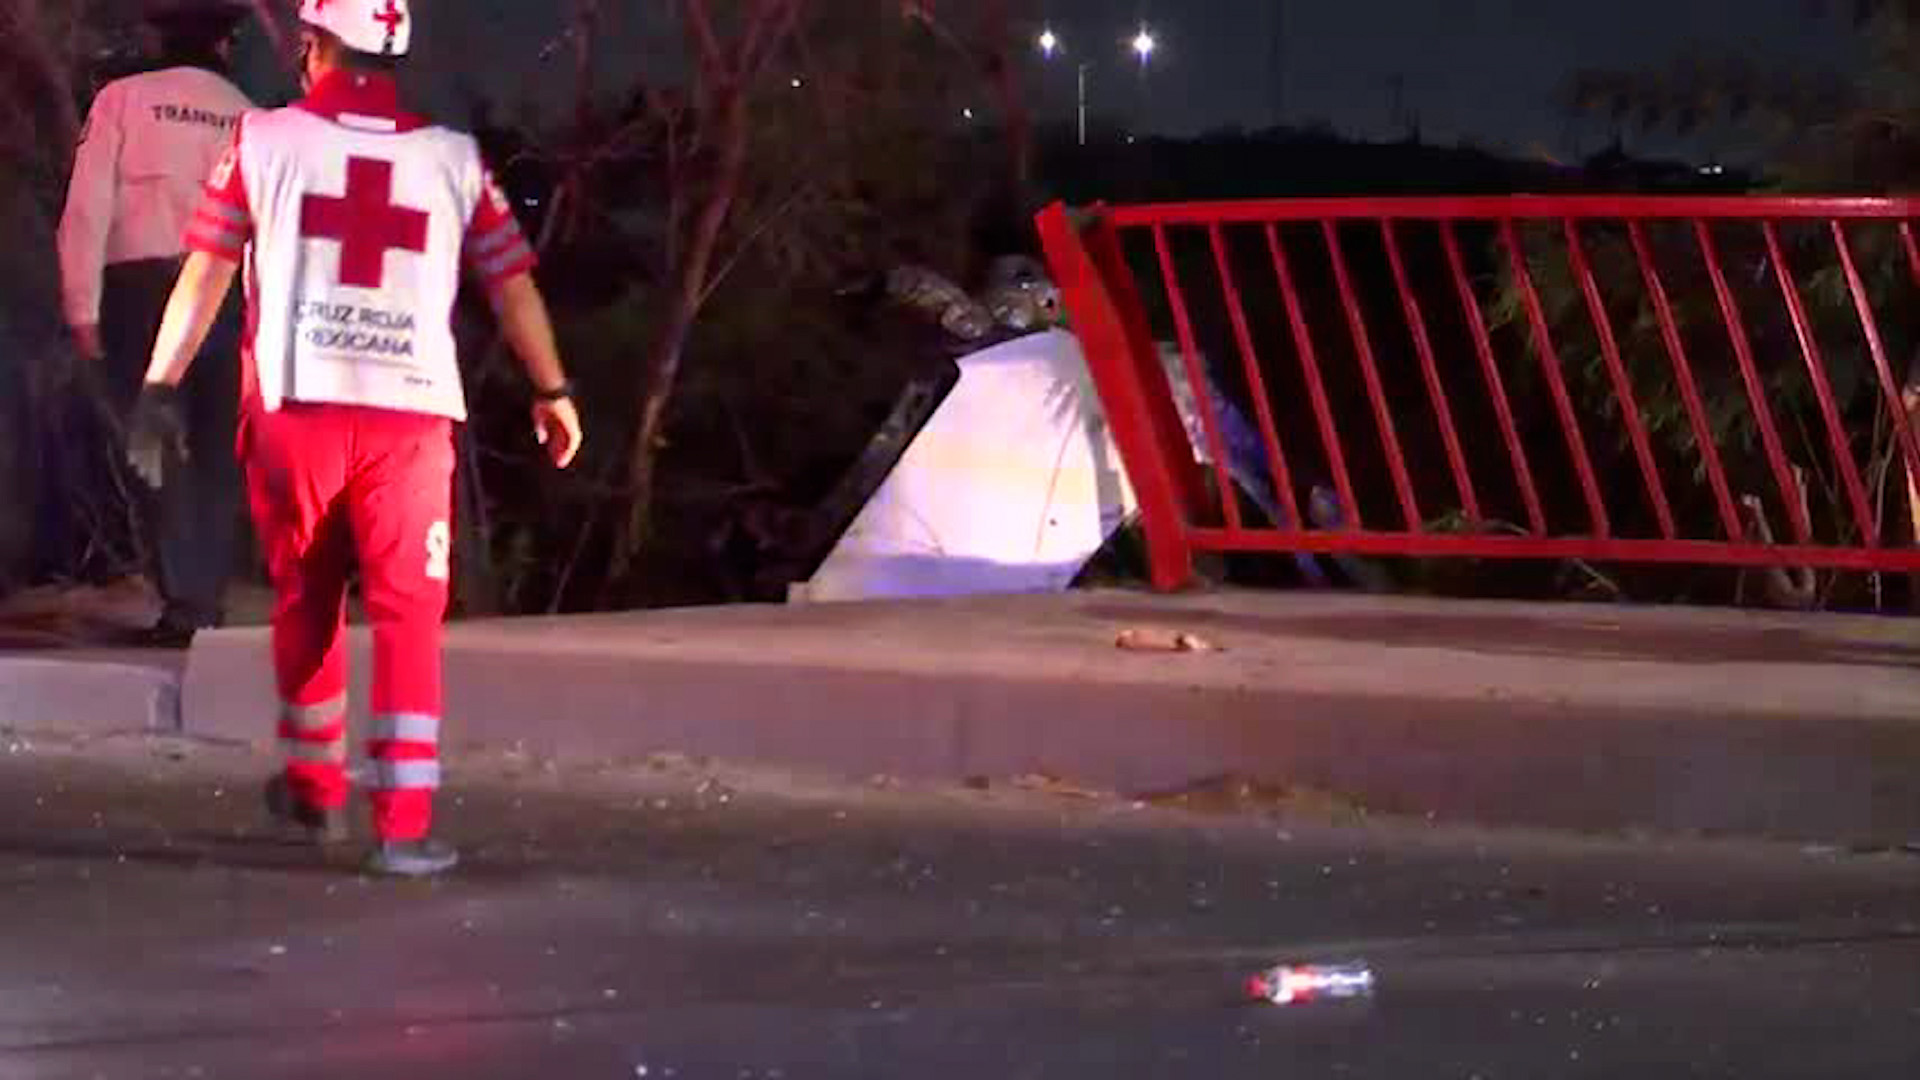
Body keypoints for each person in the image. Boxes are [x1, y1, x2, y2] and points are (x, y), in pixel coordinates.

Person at [128, 0, 584, 877]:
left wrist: (159, 386)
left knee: (308, 598)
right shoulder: (454, 160)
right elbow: (513, 282)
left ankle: (314, 791)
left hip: (297, 412)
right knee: (411, 617)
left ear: (316, 48)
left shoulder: (263, 143)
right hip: (411, 423)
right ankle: (404, 829)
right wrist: (552, 388)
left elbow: (207, 272)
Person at [56, 0, 256, 646]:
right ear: (225, 44)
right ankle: (207, 594)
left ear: (154, 36)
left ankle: (181, 601)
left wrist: (80, 306)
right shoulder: (248, 114)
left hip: (139, 289)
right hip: (226, 292)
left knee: (151, 443)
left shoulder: (122, 99)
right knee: (217, 449)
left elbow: (87, 207)